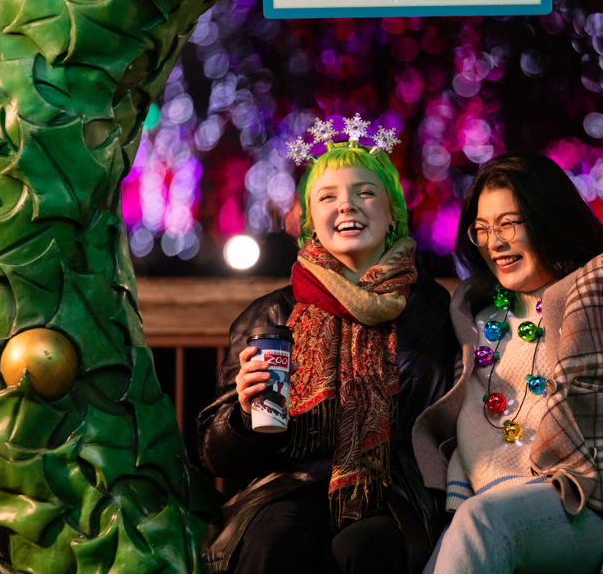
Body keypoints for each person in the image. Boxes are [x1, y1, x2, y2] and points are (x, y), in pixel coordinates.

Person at [413, 152, 603, 574]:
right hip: (491, 510)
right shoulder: (477, 317)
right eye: (483, 228)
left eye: (509, 223)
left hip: (581, 500)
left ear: (547, 218)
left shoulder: (595, 288)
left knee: (481, 524)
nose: (495, 241)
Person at [197, 129, 459, 574]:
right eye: (328, 196)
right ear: (310, 220)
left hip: (395, 491)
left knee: (365, 548)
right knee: (275, 542)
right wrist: (244, 415)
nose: (346, 205)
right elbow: (217, 457)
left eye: (365, 192)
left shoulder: (436, 312)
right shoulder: (273, 314)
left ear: (392, 211)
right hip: (288, 485)